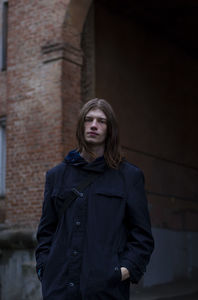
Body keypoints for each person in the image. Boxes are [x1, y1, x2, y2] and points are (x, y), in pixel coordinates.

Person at [35, 98, 154, 300]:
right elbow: (46, 231)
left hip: (106, 291)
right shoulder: (57, 175)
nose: (93, 125)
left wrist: (121, 272)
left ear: (110, 129)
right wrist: (45, 268)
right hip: (59, 289)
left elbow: (142, 238)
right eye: (88, 120)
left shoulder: (129, 177)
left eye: (101, 121)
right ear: (81, 125)